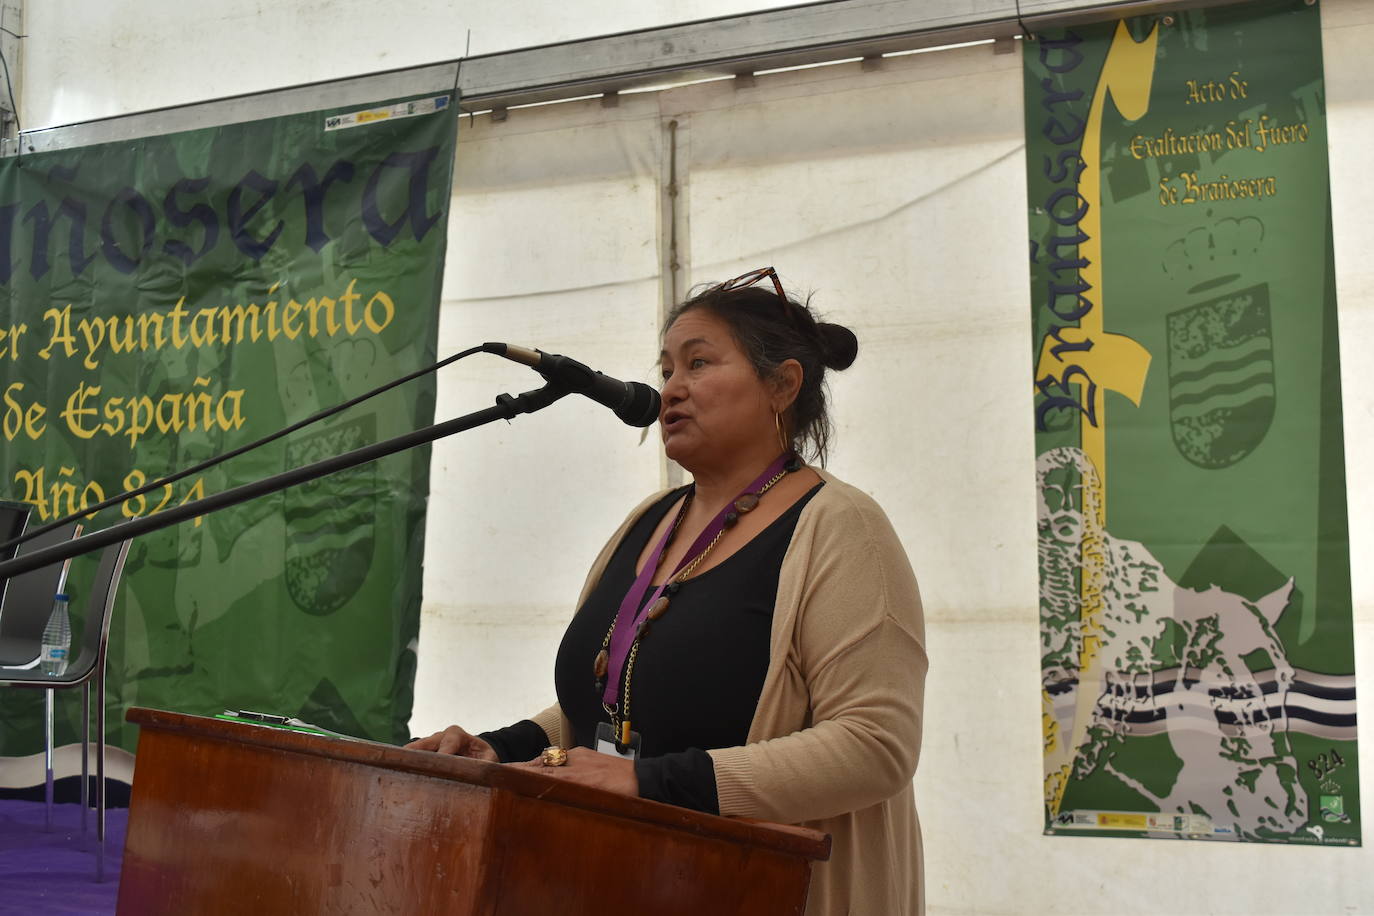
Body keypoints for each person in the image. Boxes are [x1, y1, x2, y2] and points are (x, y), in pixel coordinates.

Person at [408, 267, 927, 915]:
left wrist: (647, 782)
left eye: (699, 363)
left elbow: (874, 747)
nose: (671, 389)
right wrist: (503, 750)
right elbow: (617, 701)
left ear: (783, 384)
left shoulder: (841, 526)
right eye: (665, 370)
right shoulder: (651, 520)